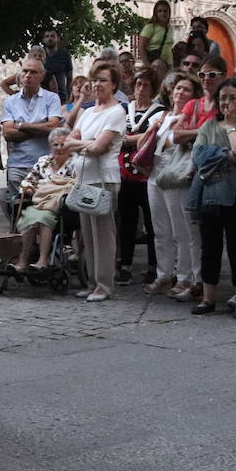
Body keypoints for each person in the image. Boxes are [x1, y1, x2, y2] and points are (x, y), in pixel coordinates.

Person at [189, 78, 236, 317]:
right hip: (209, 193)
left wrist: (230, 128)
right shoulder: (208, 126)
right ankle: (208, 299)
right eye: (222, 98)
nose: (226, 103)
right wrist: (225, 154)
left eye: (231, 98)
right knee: (210, 246)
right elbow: (198, 156)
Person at [64, 63, 127, 301]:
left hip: (104, 179)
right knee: (87, 235)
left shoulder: (117, 112)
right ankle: (91, 282)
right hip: (84, 178)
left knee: (103, 234)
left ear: (113, 85)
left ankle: (105, 284)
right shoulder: (88, 112)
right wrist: (86, 145)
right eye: (95, 80)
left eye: (103, 80)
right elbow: (70, 140)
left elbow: (100, 148)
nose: (98, 85)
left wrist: (84, 145)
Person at [146, 74, 204, 298]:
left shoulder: (189, 117)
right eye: (177, 88)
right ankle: (164, 274)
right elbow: (144, 145)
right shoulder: (161, 115)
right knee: (160, 230)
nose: (179, 93)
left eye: (186, 89)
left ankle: (185, 278)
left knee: (183, 230)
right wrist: (153, 129)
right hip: (155, 174)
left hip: (177, 175)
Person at [117, 71, 165, 284]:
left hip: (146, 175)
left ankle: (153, 266)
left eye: (145, 85)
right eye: (137, 84)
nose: (141, 89)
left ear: (152, 88)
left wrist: (129, 139)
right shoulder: (123, 110)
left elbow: (151, 139)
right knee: (127, 222)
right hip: (124, 174)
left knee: (152, 222)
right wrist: (133, 139)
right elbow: (116, 135)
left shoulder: (159, 112)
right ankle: (125, 264)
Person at [0, 58, 63, 222]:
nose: (28, 75)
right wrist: (40, 127)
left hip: (45, 166)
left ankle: (42, 246)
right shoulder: (10, 101)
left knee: (45, 212)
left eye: (33, 72)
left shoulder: (52, 98)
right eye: (25, 71)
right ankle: (22, 246)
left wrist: (20, 125)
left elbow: (53, 129)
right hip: (17, 165)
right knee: (18, 212)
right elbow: (7, 134)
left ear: (42, 76)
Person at [12, 128, 78, 271]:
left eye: (63, 144)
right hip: (39, 203)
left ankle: (43, 260)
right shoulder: (43, 161)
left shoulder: (75, 164)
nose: (59, 148)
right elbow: (26, 181)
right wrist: (35, 190)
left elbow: (76, 187)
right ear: (50, 146)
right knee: (28, 217)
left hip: (58, 207)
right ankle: (22, 261)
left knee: (43, 218)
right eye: (55, 145)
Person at [138, 0, 174, 66]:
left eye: (165, 11)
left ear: (169, 13)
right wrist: (148, 66)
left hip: (168, 65)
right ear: (155, 13)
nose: (163, 13)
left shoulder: (170, 28)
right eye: (160, 11)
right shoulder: (150, 27)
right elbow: (141, 47)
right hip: (154, 64)